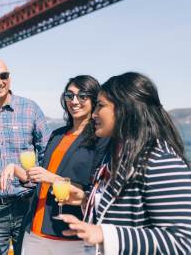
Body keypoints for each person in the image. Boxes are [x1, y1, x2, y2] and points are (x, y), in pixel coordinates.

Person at [60, 72, 191, 254]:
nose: (95, 113)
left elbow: (183, 242)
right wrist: (87, 199)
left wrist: (104, 234)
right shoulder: (120, 156)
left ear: (125, 109)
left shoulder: (159, 160)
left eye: (101, 106)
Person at [0, 75, 108, 254]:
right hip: (36, 230)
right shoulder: (57, 135)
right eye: (70, 95)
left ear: (94, 100)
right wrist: (14, 168)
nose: (74, 101)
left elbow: (95, 189)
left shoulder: (100, 139)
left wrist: (52, 178)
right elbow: (40, 177)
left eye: (83, 96)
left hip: (70, 235)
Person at [0, 57, 50, 255]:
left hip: (27, 204)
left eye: (3, 76)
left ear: (9, 78)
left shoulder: (31, 109)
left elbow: (47, 154)